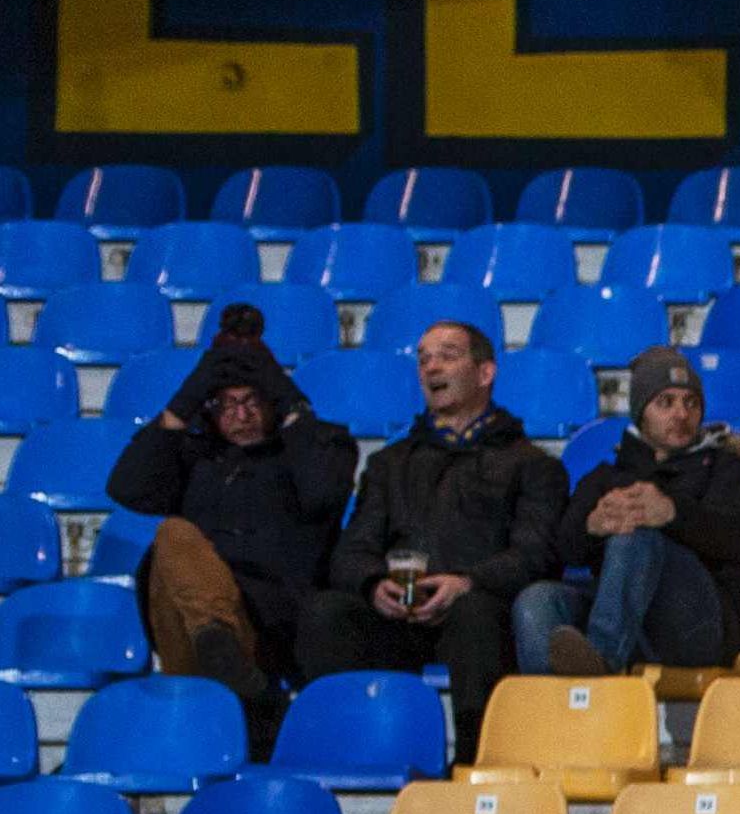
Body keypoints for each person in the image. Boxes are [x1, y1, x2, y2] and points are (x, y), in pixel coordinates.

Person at [295, 321, 569, 743]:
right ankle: (350, 746)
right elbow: (352, 551)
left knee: (476, 615)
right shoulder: (390, 463)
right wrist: (373, 585)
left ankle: (476, 758)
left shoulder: (533, 465)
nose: (431, 367)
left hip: (475, 613)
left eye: (447, 355)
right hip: (398, 615)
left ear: (484, 373)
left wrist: (467, 582)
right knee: (326, 613)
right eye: (423, 359)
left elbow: (536, 554)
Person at [104, 305, 356, 733]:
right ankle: (225, 660)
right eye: (227, 403)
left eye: (254, 400)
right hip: (195, 633)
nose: (241, 415)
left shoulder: (317, 446)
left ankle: (232, 668)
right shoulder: (194, 456)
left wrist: (287, 396)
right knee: (173, 535)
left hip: (276, 632)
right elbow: (127, 489)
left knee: (175, 540)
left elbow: (323, 495)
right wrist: (189, 395)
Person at [517, 344, 740, 680]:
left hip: (702, 628)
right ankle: (553, 706)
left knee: (637, 537)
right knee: (537, 600)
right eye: (666, 402)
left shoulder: (728, 468)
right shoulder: (607, 476)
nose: (681, 414)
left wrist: (673, 514)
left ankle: (601, 667)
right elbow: (564, 549)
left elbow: (736, 537)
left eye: (691, 403)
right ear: (640, 412)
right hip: (632, 626)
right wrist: (592, 527)